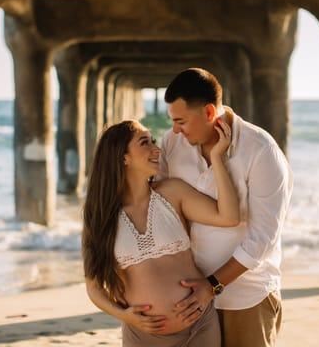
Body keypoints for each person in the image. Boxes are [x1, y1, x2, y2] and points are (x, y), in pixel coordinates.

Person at [159, 68, 294, 347]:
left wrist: (211, 286)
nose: (175, 130)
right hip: (187, 298)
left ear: (209, 113)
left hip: (247, 298)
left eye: (181, 121)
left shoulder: (261, 151)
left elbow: (262, 240)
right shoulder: (172, 144)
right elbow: (158, 211)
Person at [82, 119, 241, 346]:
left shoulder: (172, 193)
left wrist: (217, 158)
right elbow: (94, 288)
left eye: (154, 141)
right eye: (145, 142)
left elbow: (229, 217)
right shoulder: (99, 217)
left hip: (200, 326)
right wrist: (125, 316)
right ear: (122, 157)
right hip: (143, 336)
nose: (156, 149)